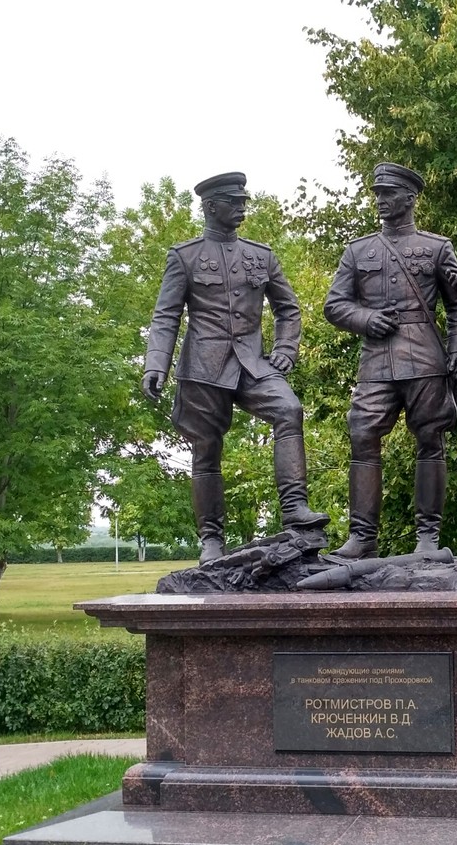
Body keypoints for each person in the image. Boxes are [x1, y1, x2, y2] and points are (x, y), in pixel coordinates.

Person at [141, 172, 328, 564]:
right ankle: (212, 539)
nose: (242, 207)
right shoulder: (185, 256)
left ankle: (295, 508)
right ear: (211, 207)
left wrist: (286, 350)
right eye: (234, 202)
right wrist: (155, 364)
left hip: (253, 364)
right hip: (204, 367)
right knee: (206, 449)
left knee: (289, 410)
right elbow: (166, 316)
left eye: (244, 201)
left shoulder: (262, 256)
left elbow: (288, 309)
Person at [323, 162, 457, 558]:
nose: (381, 201)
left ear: (409, 199)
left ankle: (428, 537)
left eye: (388, 195)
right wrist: (366, 318)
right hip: (376, 361)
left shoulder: (436, 247)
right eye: (377, 195)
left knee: (430, 440)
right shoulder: (358, 250)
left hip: (425, 357)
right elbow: (335, 305)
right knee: (362, 434)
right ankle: (363, 537)